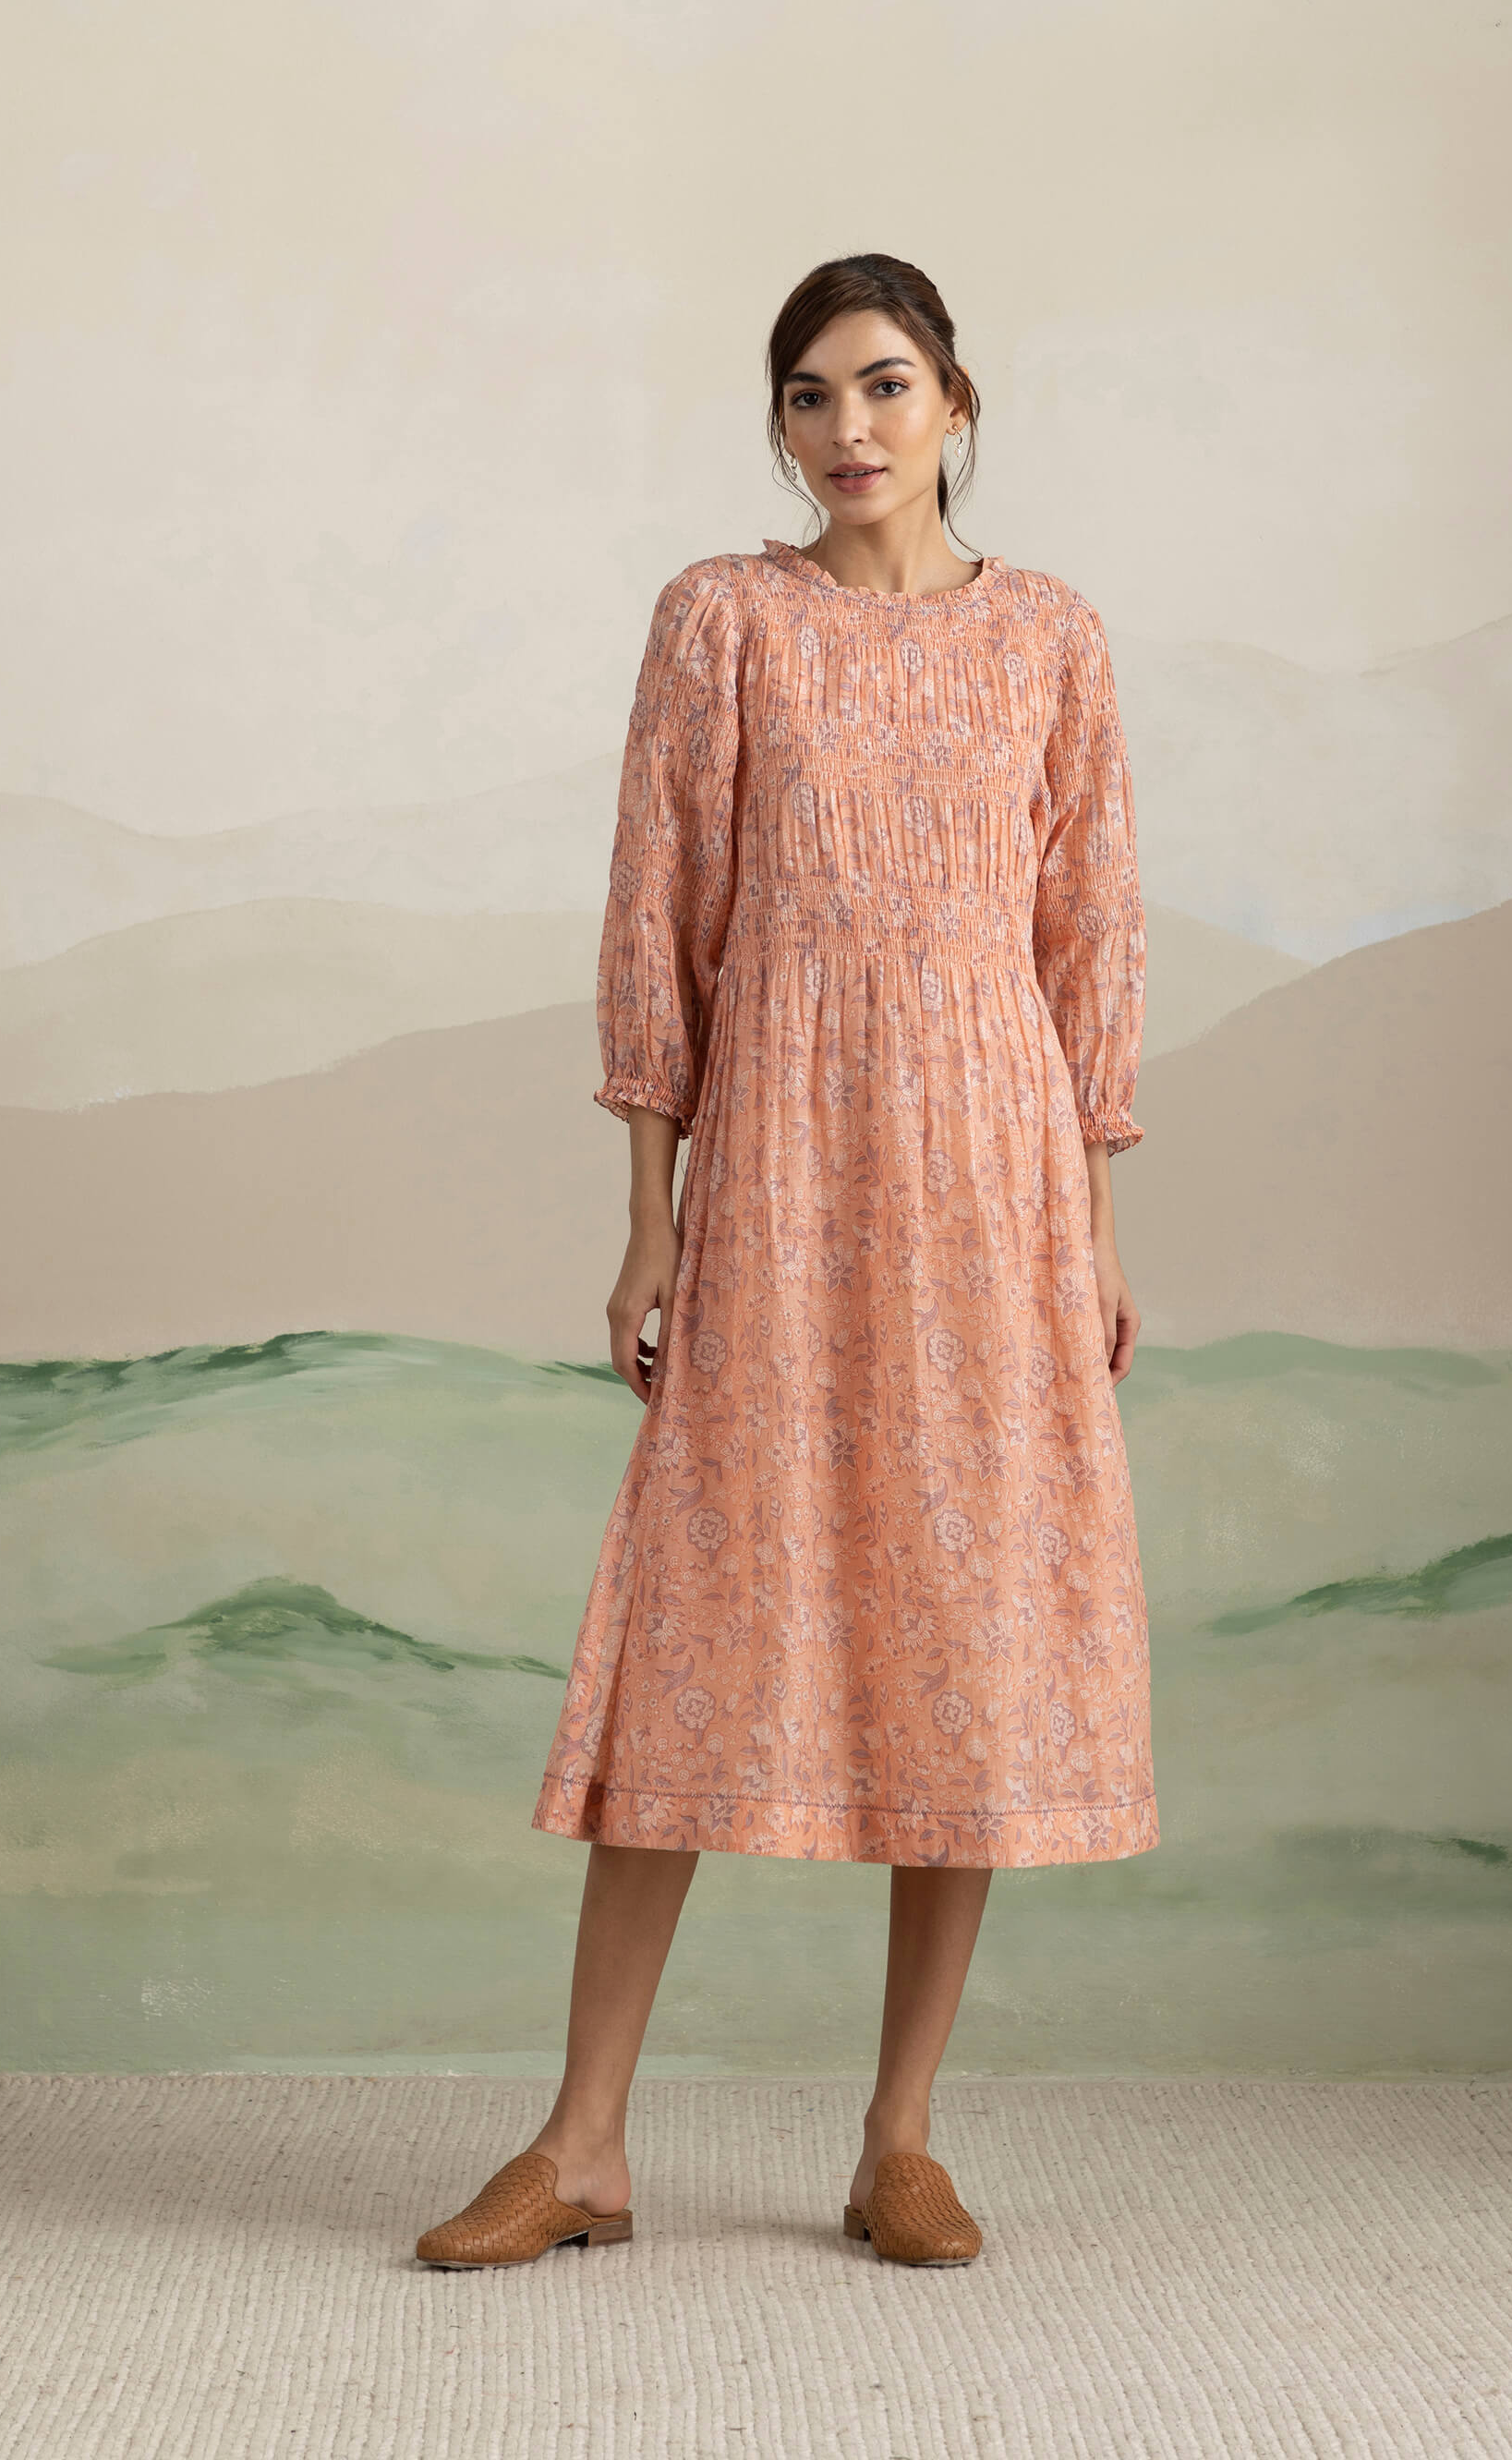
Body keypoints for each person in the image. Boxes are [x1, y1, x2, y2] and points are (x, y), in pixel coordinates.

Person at [417, 253, 1155, 2272]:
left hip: (993, 1185)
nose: (847, 431)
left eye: (885, 388)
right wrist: (646, 1221)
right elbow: (657, 912)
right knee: (692, 1628)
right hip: (779, 1167)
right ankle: (583, 2146)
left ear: (958, 401)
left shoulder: (1055, 642)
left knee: (968, 1624)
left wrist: (1091, 1232)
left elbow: (1088, 945)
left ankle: (900, 2136)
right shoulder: (723, 621)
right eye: (811, 397)